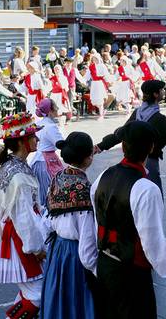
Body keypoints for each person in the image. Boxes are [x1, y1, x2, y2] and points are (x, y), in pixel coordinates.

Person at [91, 120, 166, 318]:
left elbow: (95, 224)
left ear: (123, 146)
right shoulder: (146, 189)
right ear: (151, 148)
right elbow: (153, 243)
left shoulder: (102, 177)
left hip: (104, 264)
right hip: (130, 272)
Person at [0, 112, 47, 318]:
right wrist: (35, 248)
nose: (37, 139)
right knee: (37, 293)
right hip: (20, 238)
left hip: (16, 234)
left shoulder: (12, 164)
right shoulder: (17, 173)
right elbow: (23, 217)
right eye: (33, 137)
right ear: (22, 142)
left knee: (31, 288)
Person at [96, 80, 166, 192]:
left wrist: (101, 146)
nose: (164, 91)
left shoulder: (137, 113)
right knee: (152, 192)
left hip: (131, 159)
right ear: (155, 94)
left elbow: (121, 133)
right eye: (162, 90)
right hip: (149, 161)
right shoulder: (159, 119)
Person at [40, 132, 97, 319]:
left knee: (58, 302)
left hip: (58, 252)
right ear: (88, 157)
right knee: (76, 305)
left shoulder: (57, 178)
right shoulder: (84, 190)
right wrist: (99, 272)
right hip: (75, 256)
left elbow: (46, 221)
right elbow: (87, 245)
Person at [30, 99, 65, 207]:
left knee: (41, 194)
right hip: (47, 162)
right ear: (50, 111)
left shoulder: (39, 123)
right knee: (49, 194)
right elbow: (61, 144)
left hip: (38, 160)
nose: (57, 109)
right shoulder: (51, 127)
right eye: (55, 107)